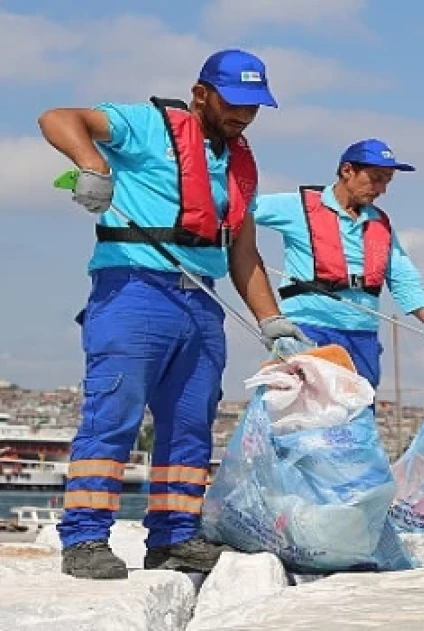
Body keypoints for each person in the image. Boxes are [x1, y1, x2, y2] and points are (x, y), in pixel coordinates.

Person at [37, 49, 311, 579]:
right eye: (235, 103)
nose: (245, 116)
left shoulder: (239, 163)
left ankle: (174, 538)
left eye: (255, 107)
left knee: (190, 424)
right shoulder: (147, 125)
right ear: (202, 93)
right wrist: (92, 166)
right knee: (113, 416)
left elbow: (245, 253)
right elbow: (57, 118)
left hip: (202, 303)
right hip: (134, 290)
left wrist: (271, 322)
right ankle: (86, 539)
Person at [252, 138, 424, 390]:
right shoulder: (298, 207)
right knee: (305, 419)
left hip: (362, 335)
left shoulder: (380, 224)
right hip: (308, 329)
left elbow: (405, 283)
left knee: (358, 416)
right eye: (376, 179)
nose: (381, 190)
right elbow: (239, 210)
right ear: (347, 171)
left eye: (387, 182)